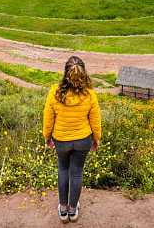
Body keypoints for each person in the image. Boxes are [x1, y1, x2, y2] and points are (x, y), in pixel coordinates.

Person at [42, 55, 102, 223]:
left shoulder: (54, 91)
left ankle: (62, 210)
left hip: (61, 139)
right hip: (83, 139)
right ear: (84, 73)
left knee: (63, 170)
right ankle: (73, 210)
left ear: (65, 72)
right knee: (76, 173)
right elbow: (95, 121)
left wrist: (47, 137)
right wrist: (96, 139)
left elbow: (48, 119)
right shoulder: (90, 94)